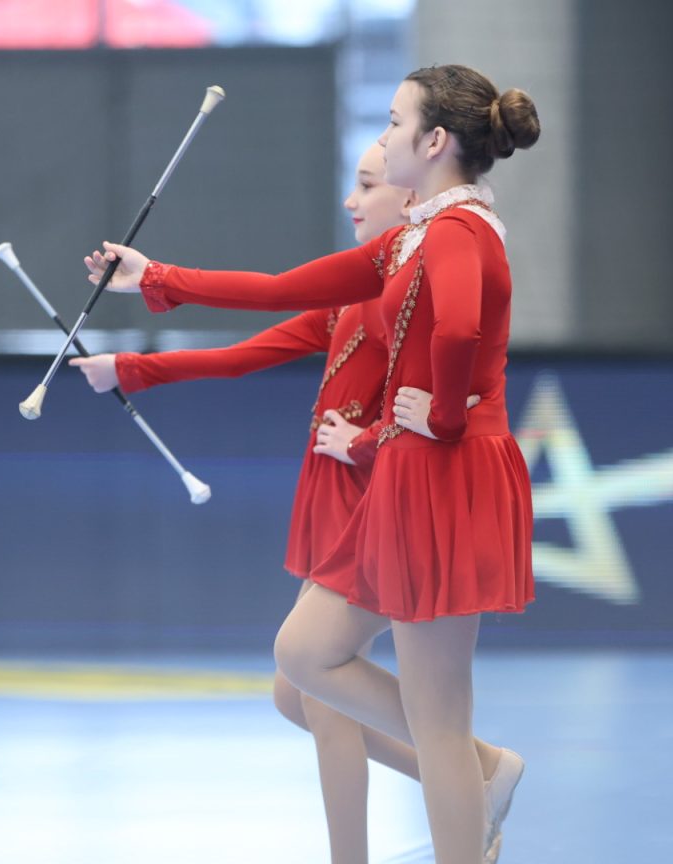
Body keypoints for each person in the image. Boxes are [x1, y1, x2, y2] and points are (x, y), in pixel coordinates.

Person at [83, 64, 538, 864]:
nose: (385, 137)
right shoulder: (416, 236)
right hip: (410, 472)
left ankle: (470, 788)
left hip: (442, 474)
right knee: (306, 655)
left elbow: (462, 330)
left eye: (395, 122)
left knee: (435, 722)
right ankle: (484, 769)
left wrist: (441, 414)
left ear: (435, 141)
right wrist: (154, 277)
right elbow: (283, 289)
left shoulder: (460, 232)